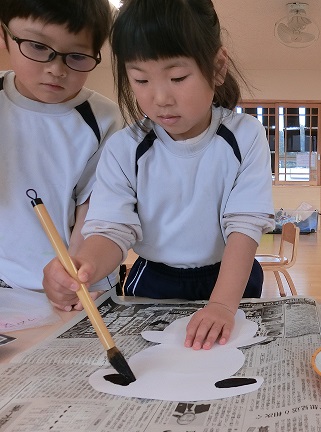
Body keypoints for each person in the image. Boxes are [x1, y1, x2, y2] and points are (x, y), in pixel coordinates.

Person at [43, 0, 274, 351]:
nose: (161, 98)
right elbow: (111, 230)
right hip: (154, 280)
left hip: (231, 279)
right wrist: (84, 266)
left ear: (217, 68)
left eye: (177, 78)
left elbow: (245, 226)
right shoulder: (124, 148)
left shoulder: (245, 135)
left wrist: (222, 305)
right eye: (141, 79)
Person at [0, 0, 123, 307]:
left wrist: (72, 277)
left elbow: (95, 212)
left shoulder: (104, 120)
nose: (56, 69)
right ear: (4, 36)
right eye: (38, 47)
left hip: (79, 285)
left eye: (77, 56)